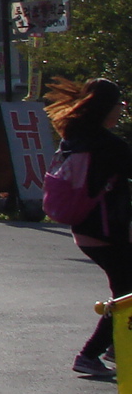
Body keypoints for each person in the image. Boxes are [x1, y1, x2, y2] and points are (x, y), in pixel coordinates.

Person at [45, 77, 132, 377]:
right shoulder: (107, 145)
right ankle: (90, 354)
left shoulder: (75, 138)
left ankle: (115, 346)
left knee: (125, 290)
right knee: (126, 294)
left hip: (86, 229)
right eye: (120, 105)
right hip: (106, 230)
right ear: (107, 107)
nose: (121, 110)